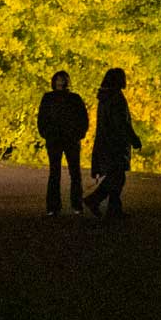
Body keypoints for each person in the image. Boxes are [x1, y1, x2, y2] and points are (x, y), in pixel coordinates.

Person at [85, 68, 141, 219]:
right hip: (115, 144)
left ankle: (113, 209)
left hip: (105, 142)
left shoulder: (104, 97)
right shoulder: (116, 98)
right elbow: (122, 123)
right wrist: (133, 139)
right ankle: (95, 200)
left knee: (116, 177)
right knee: (117, 177)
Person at [37, 70, 90, 216]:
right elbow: (42, 117)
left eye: (62, 79)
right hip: (54, 139)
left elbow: (83, 118)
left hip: (71, 139)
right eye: (58, 79)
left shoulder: (74, 98)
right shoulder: (48, 98)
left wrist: (79, 133)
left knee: (75, 173)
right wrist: (46, 133)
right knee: (55, 172)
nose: (60, 82)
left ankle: (76, 205)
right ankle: (53, 207)